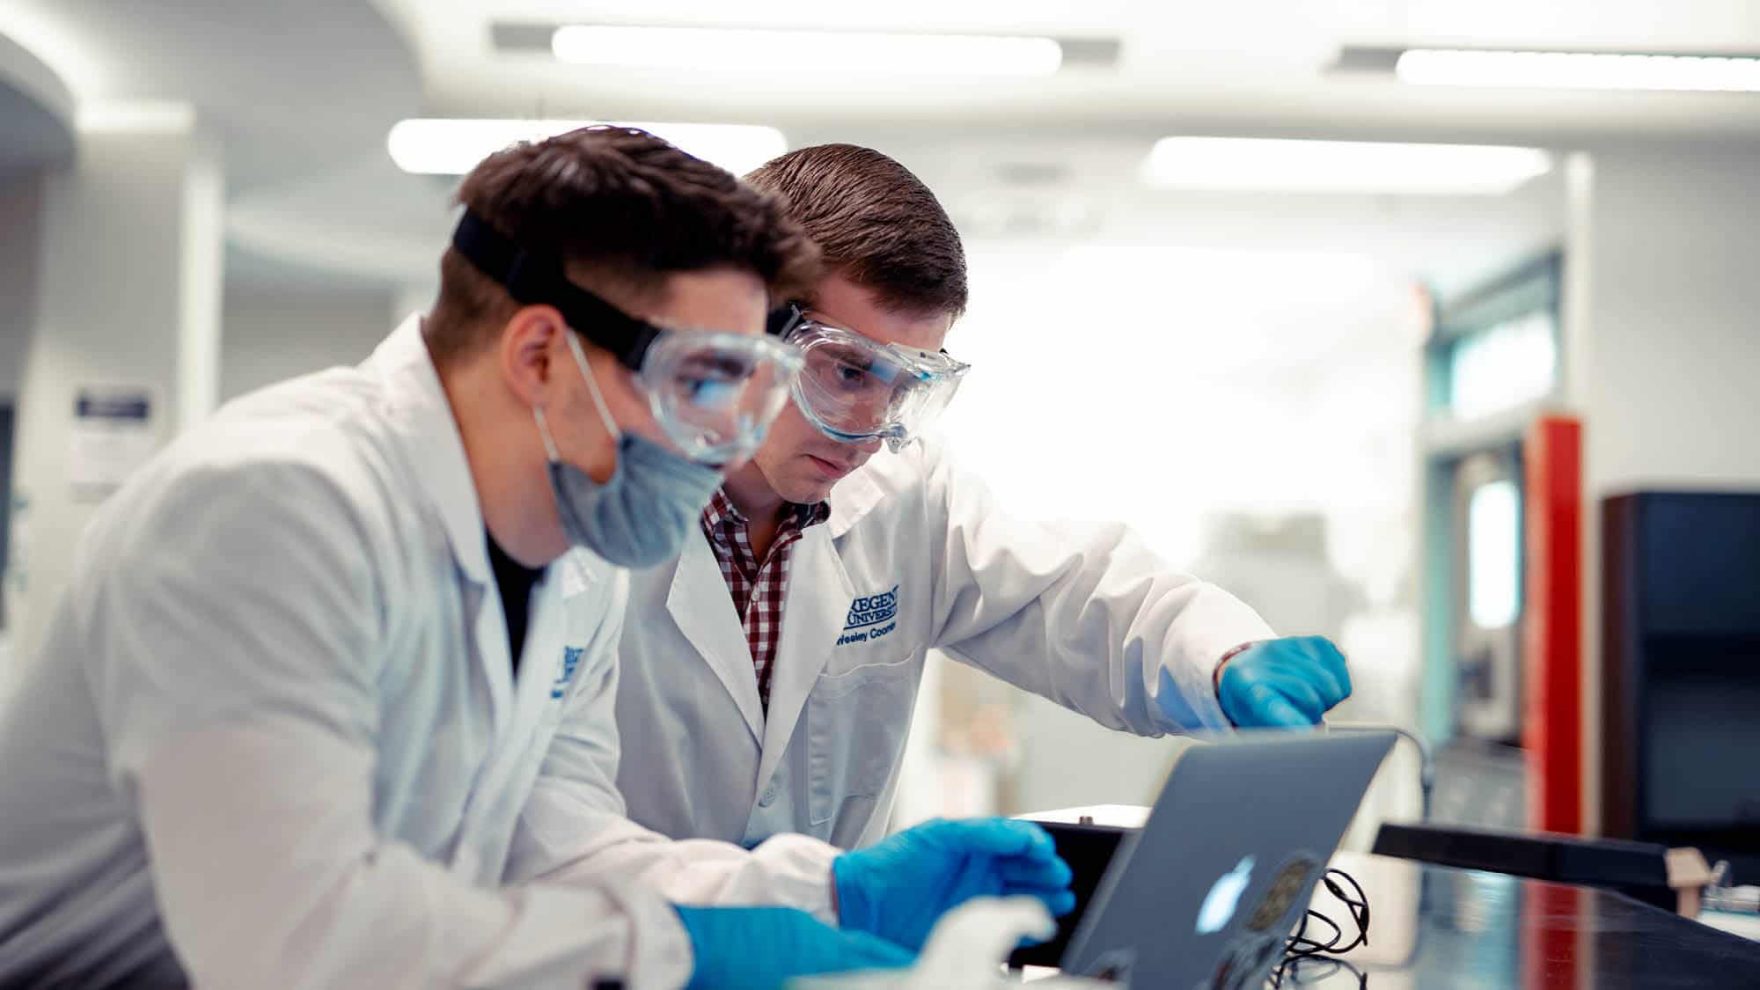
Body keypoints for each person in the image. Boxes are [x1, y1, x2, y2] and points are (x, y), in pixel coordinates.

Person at [0, 129, 1071, 989]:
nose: (737, 429)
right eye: (705, 376)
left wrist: (826, 898)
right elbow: (295, 945)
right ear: (540, 354)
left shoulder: (567, 557)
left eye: (752, 376)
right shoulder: (273, 507)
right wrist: (676, 952)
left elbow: (557, 854)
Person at [613, 144, 1355, 853]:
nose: (871, 431)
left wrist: (1225, 657)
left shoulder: (905, 499)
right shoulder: (597, 519)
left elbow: (1073, 599)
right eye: (847, 372)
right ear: (747, 326)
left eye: (906, 386)